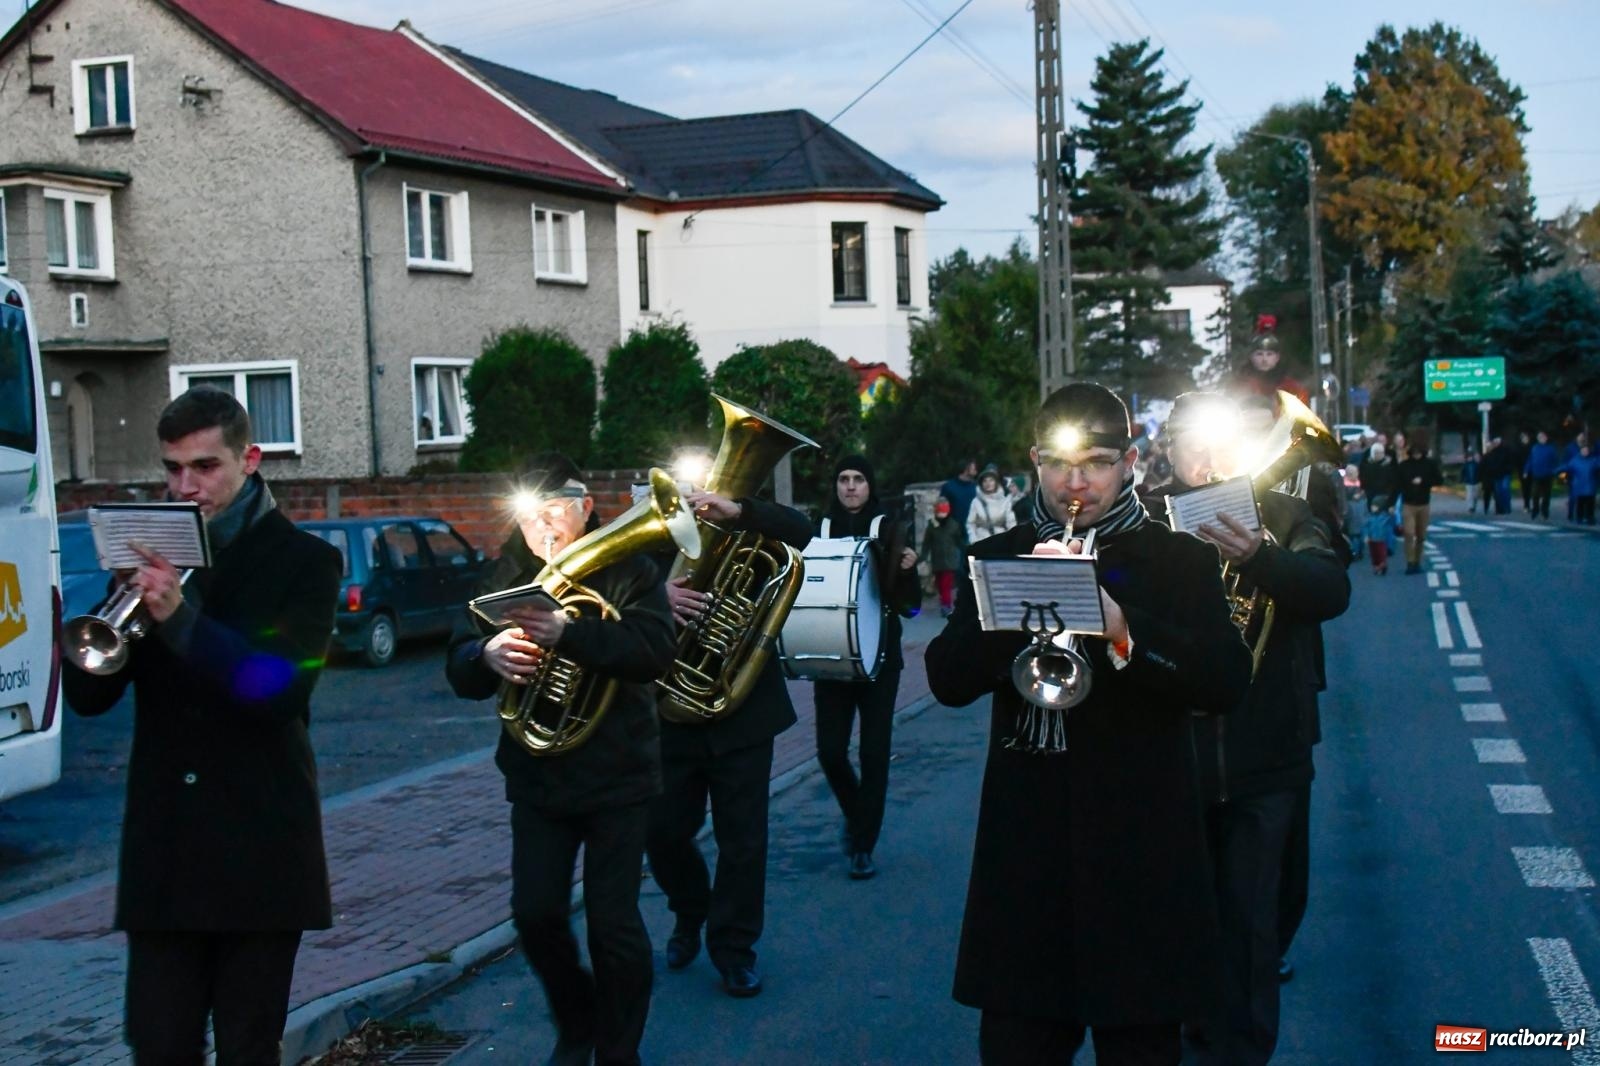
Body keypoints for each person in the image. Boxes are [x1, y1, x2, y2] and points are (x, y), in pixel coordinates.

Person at [926, 382, 1252, 1065]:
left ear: (1128, 462)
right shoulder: (1000, 556)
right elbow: (946, 682)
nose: (1076, 484)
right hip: (1029, 863)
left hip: (1142, 858)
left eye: (1097, 464)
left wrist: (1123, 629)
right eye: (1059, 464)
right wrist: (1015, 606)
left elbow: (1226, 681)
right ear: (1035, 463)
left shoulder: (1180, 560)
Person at [61, 387, 342, 1064]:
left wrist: (180, 618)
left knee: (248, 1049)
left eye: (205, 467)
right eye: (173, 469)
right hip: (166, 860)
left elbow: (278, 692)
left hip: (260, 853)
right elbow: (89, 700)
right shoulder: (156, 558)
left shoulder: (305, 561)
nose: (185, 487)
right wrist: (116, 602)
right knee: (158, 1047)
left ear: (250, 459)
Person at [444, 454, 675, 1066]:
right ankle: (578, 1023)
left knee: (613, 927)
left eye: (554, 512)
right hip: (538, 778)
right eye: (529, 515)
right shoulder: (506, 573)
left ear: (586, 509)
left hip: (619, 776)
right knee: (535, 915)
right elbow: (458, 660)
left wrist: (569, 634)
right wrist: (485, 654)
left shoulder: (631, 568)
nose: (542, 527)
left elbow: (655, 651)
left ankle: (618, 1052)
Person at [1144, 393, 1351, 1066]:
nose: (1206, 459)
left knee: (1257, 922)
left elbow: (1330, 590)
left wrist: (1261, 555)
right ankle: (1193, 1025)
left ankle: (1241, 1049)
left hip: (1266, 756)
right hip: (1172, 756)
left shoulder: (1285, 514)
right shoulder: (1146, 522)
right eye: (1192, 445)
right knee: (1177, 915)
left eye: (1220, 444)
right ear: (1168, 452)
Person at [648, 488, 812, 998]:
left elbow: (804, 531)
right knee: (663, 833)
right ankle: (690, 910)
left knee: (743, 843)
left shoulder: (751, 523)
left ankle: (734, 949)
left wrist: (739, 511)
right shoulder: (651, 526)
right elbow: (613, 585)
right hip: (669, 711)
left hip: (742, 714)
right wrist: (655, 595)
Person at [812, 455, 920, 880]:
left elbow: (911, 607)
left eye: (858, 478)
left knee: (874, 754)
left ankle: (863, 846)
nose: (851, 486)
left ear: (870, 485)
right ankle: (858, 815)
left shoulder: (889, 528)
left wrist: (909, 572)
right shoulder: (818, 528)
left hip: (880, 659)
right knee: (829, 753)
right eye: (843, 479)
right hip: (831, 655)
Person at [1231, 314, 1310, 407]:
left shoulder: (1291, 387)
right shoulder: (1240, 383)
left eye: (1269, 354)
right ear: (1251, 357)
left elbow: (1302, 410)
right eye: (1259, 354)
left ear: (1277, 357)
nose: (1264, 359)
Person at [1396, 442, 1443, 575]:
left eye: (1419, 452)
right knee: (1409, 533)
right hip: (1408, 503)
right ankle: (1410, 562)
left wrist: (1424, 481)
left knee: (1421, 535)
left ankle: (1417, 561)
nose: (1416, 455)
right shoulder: (1404, 466)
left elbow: (1439, 480)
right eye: (1414, 452)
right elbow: (1397, 483)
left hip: (1423, 503)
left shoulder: (1429, 464)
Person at [923, 496, 964, 617]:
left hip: (950, 560)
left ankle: (946, 606)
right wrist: (923, 556)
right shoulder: (932, 525)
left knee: (946, 584)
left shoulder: (953, 525)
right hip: (937, 560)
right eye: (939, 511)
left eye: (944, 511)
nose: (942, 514)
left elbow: (959, 541)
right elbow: (927, 542)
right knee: (940, 585)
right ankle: (944, 603)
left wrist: (966, 550)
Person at [966, 463, 1017, 544]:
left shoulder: (1005, 501)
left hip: (1001, 541)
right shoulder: (976, 502)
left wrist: (1012, 540)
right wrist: (973, 540)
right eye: (985, 481)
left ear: (996, 482)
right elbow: (971, 523)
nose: (988, 483)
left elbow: (1011, 522)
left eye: (991, 480)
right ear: (981, 484)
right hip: (981, 542)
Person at [942, 458, 980, 546]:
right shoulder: (949, 487)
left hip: (972, 530)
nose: (976, 470)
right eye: (974, 468)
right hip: (954, 531)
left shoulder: (977, 487)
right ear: (966, 468)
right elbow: (942, 508)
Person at [1559, 443, 1600, 525]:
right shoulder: (1575, 461)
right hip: (1579, 486)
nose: (1585, 452)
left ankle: (1590, 518)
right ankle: (1579, 518)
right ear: (1580, 451)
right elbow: (1566, 468)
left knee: (1590, 503)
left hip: (1590, 485)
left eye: (1586, 451)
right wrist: (1561, 475)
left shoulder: (1593, 460)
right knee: (1580, 503)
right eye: (1583, 450)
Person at [1527, 431, 1560, 520]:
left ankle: (1545, 511)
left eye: (1542, 437)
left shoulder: (1550, 448)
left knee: (1546, 495)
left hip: (1547, 475)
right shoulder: (1534, 448)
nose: (1541, 439)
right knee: (1535, 494)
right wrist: (1526, 470)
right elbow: (1530, 459)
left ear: (1546, 438)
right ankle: (1535, 510)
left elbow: (1555, 460)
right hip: (1536, 474)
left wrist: (1554, 471)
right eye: (1539, 437)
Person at [1461, 450, 1481, 515]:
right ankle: (1470, 507)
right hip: (1468, 482)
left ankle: (1473, 506)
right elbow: (1463, 473)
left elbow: (1479, 472)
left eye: (1471, 457)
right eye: (1468, 457)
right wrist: (1462, 479)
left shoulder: (1476, 464)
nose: (1470, 458)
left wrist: (1479, 479)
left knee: (1475, 496)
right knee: (1469, 495)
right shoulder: (1465, 465)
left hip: (1476, 481)